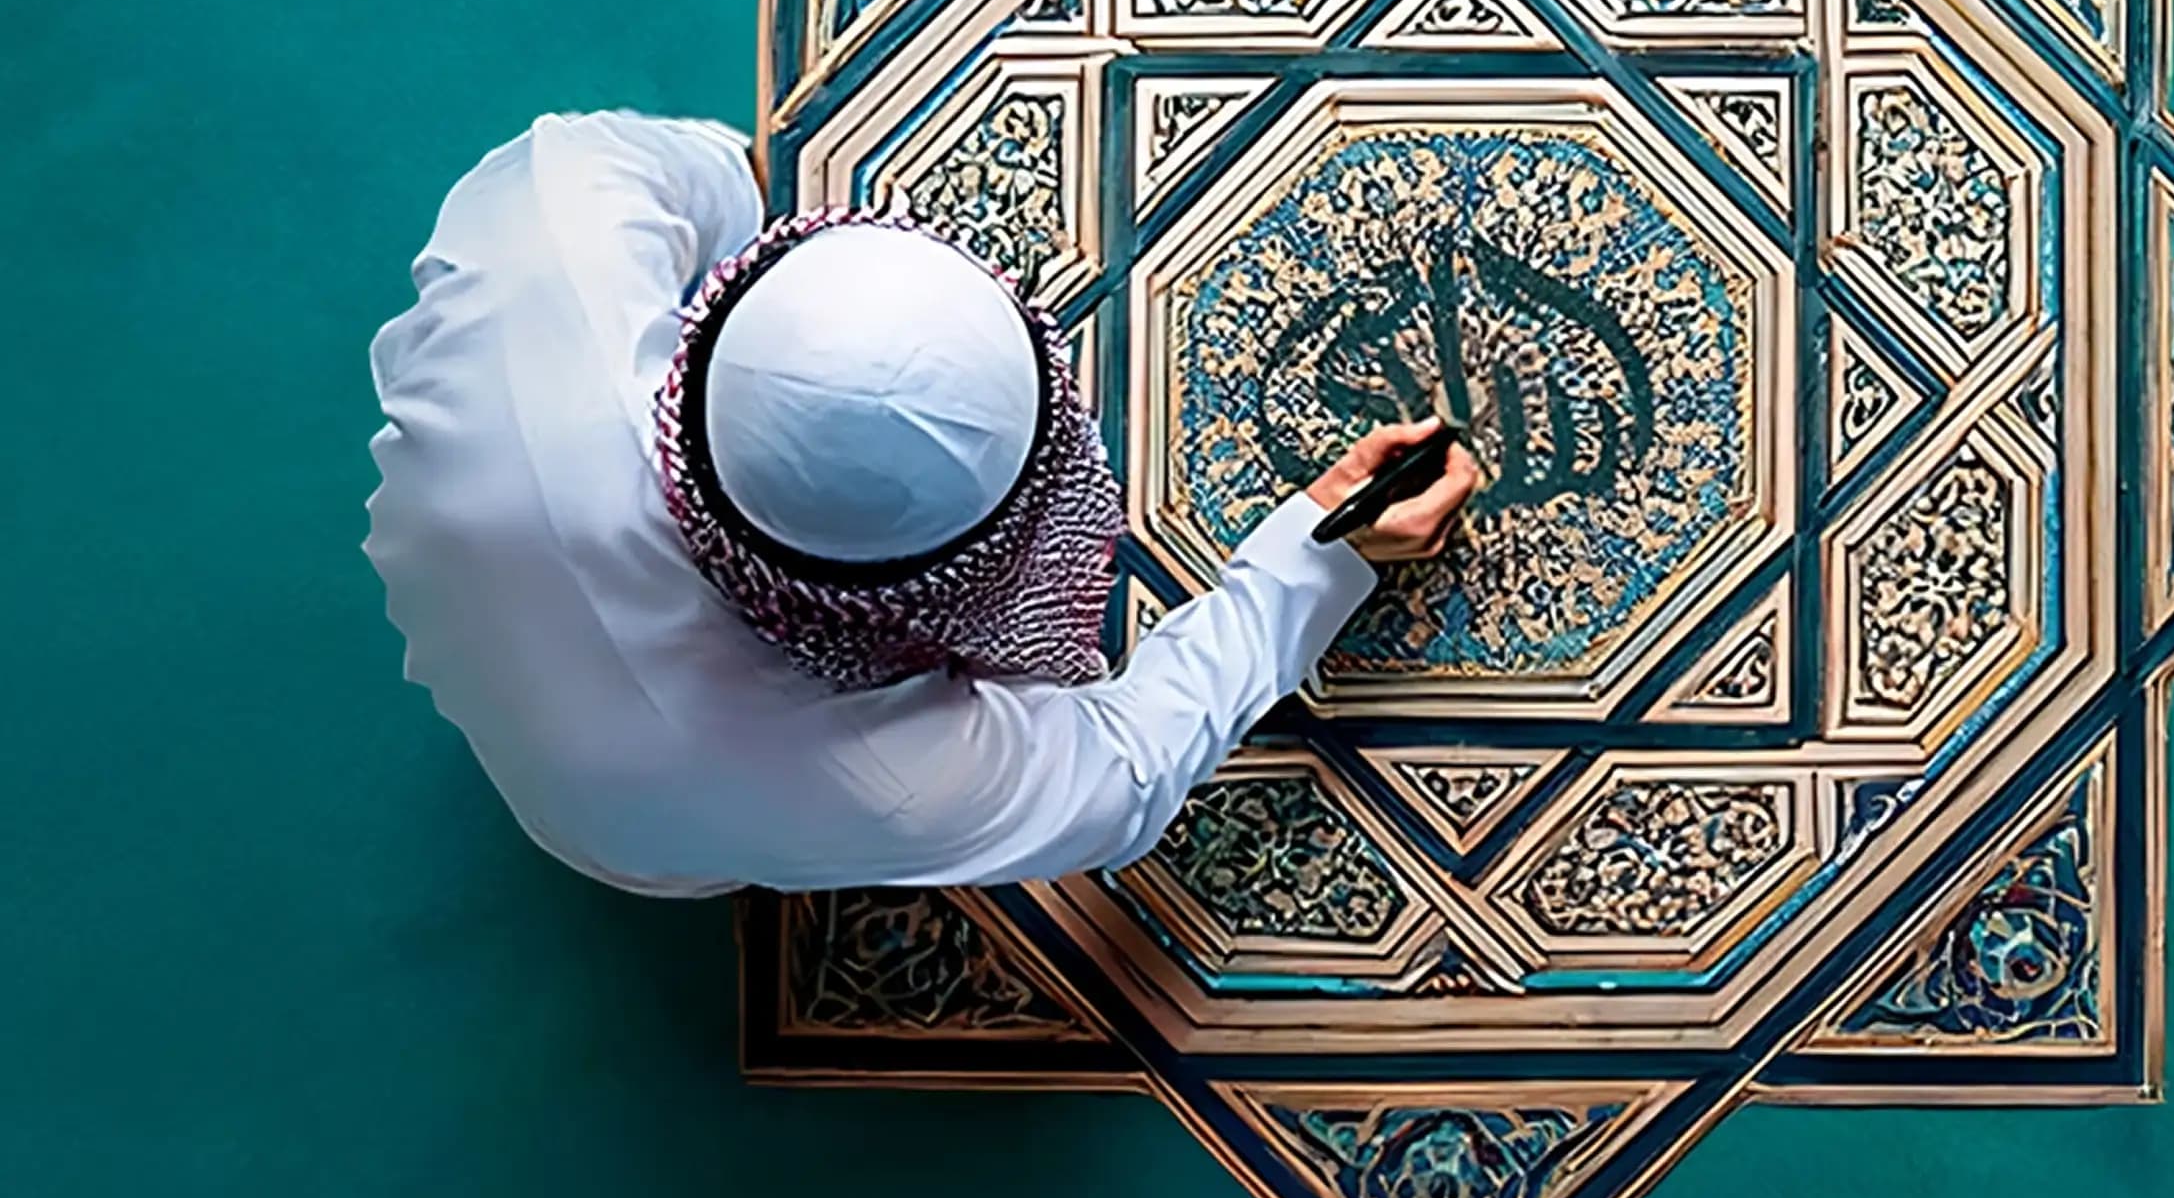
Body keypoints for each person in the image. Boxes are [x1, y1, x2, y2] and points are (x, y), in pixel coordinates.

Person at [364, 110, 1480, 897]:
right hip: (647, 845)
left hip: (547, 732)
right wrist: (1320, 554)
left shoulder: (556, 217)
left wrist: (795, 289)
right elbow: (1129, 772)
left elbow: (707, 170)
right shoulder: (885, 786)